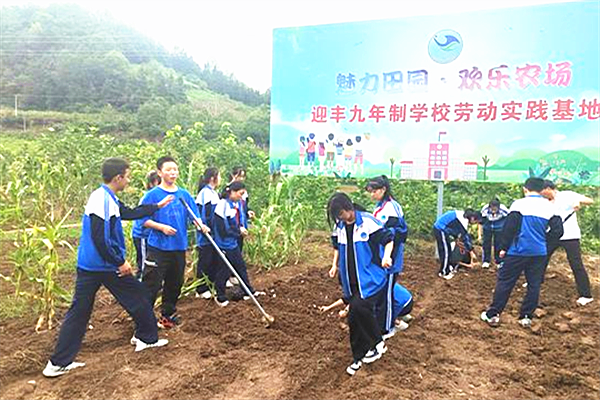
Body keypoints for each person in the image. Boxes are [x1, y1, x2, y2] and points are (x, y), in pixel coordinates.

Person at [42, 158, 172, 378]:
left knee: (79, 311)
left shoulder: (107, 197)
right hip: (103, 264)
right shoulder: (102, 201)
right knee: (139, 294)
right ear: (118, 177)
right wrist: (119, 262)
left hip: (89, 264)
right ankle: (146, 338)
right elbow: (100, 238)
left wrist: (156, 206)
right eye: (127, 176)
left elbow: (128, 212)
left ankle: (58, 362)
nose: (128, 180)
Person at [481, 177, 563, 329]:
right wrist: (544, 243)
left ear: (525, 189)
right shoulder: (550, 207)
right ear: (542, 189)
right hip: (539, 253)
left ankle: (493, 314)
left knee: (505, 282)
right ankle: (526, 317)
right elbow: (558, 231)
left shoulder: (519, 204)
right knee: (534, 284)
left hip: (518, 251)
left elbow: (509, 228)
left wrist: (503, 248)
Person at [327, 192, 394, 376]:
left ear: (348, 208)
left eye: (340, 214)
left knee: (359, 308)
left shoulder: (367, 222)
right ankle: (359, 356)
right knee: (354, 317)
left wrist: (386, 256)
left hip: (371, 279)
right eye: (337, 216)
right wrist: (335, 266)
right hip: (351, 281)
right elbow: (337, 248)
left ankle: (378, 343)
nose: (340, 218)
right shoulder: (339, 227)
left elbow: (388, 239)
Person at [140, 156, 209, 329]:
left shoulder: (183, 195)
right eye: (169, 169)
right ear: (160, 172)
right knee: (152, 284)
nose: (173, 173)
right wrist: (161, 227)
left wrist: (201, 225)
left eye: (175, 169)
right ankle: (143, 322)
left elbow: (194, 216)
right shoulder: (152, 195)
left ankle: (167, 315)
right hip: (158, 248)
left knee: (175, 283)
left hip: (178, 246)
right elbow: (143, 220)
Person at [365, 175, 408, 339]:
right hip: (382, 256)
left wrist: (389, 257)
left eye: (374, 191)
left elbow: (397, 235)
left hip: (390, 258)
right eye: (370, 191)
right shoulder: (380, 206)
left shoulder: (391, 209)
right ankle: (385, 323)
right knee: (382, 292)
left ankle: (388, 328)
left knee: (387, 294)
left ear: (383, 190)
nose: (372, 194)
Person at [541, 180, 594, 306]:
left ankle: (586, 295)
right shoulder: (543, 202)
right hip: (553, 234)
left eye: (542, 192)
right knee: (542, 257)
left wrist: (578, 202)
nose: (541, 195)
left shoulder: (566, 195)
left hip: (570, 235)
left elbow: (589, 200)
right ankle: (536, 281)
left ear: (548, 188)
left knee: (576, 263)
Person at [212, 181, 263, 306]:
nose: (241, 196)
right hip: (224, 244)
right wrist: (238, 232)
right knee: (223, 270)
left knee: (240, 267)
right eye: (240, 193)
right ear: (232, 192)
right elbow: (222, 229)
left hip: (232, 243)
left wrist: (239, 230)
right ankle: (220, 296)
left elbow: (235, 222)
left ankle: (248, 291)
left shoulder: (234, 204)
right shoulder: (222, 205)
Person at [194, 167, 221, 299]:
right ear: (212, 178)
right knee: (205, 261)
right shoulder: (206, 194)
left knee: (213, 260)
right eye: (218, 176)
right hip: (207, 235)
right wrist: (209, 229)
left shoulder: (212, 192)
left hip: (214, 234)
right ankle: (201, 288)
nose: (220, 179)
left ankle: (210, 284)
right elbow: (208, 215)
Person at [433, 209, 480, 279]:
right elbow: (465, 238)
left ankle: (447, 268)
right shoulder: (463, 221)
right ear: (472, 218)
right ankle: (443, 272)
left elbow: (454, 228)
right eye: (476, 221)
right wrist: (471, 251)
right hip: (440, 229)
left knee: (448, 250)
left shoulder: (461, 214)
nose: (474, 223)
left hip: (444, 230)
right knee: (445, 252)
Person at [132, 171, 161, 280]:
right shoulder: (148, 197)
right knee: (144, 264)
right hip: (143, 236)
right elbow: (142, 221)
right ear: (152, 183)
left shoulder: (160, 196)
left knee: (153, 263)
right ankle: (140, 286)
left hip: (152, 236)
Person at [478, 199, 509, 269]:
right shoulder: (484, 210)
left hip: (499, 226)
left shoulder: (504, 210)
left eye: (495, 209)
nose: (493, 210)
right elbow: (480, 222)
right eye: (492, 208)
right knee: (486, 243)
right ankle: (486, 261)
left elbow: (509, 220)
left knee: (498, 243)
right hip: (488, 226)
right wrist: (480, 235)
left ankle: (499, 261)